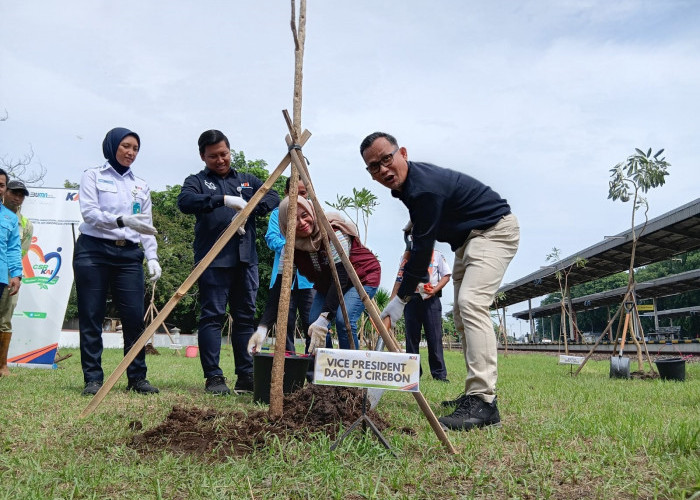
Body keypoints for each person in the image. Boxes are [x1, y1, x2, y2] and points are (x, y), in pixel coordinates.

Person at [360, 132, 519, 431]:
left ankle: (483, 402)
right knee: (461, 314)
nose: (383, 169)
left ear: (402, 152)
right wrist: (417, 221)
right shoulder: (411, 186)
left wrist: (399, 300)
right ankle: (475, 392)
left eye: (386, 159)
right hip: (468, 240)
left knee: (472, 304)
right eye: (374, 166)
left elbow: (421, 256)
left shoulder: (423, 189)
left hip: (494, 231)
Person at [177, 129, 280, 395]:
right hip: (212, 260)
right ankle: (214, 377)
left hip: (246, 260)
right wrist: (222, 200)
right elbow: (185, 202)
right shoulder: (197, 181)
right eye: (213, 156)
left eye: (224, 154)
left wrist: (248, 209)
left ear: (229, 151)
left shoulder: (247, 180)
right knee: (212, 317)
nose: (220, 160)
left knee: (245, 318)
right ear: (203, 156)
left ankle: (246, 374)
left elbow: (272, 196)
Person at [74, 127, 162, 396]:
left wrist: (152, 257)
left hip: (128, 255)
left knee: (135, 317)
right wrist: (121, 220)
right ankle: (93, 379)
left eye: (135, 148)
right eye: (125, 146)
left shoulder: (140, 185)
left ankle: (137, 377)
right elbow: (89, 213)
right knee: (92, 315)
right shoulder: (93, 176)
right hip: (93, 251)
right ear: (112, 146)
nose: (130, 152)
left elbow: (145, 225)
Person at [249, 196, 381, 358]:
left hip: (360, 278)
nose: (302, 222)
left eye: (305, 215)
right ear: (286, 224)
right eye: (294, 219)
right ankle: (321, 376)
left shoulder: (333, 233)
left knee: (342, 320)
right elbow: (281, 285)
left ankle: (351, 373)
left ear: (313, 212)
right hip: (327, 285)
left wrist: (324, 319)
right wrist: (263, 327)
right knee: (313, 323)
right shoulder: (290, 247)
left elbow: (341, 276)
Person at [392, 229, 451, 382]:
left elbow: (446, 275)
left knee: (434, 337)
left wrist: (435, 289)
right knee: (411, 338)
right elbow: (400, 278)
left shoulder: (437, 255)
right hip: (411, 299)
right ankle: (412, 374)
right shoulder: (406, 256)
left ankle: (439, 374)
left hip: (431, 300)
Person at [264, 178, 315, 353]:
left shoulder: (313, 213)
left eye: (303, 193)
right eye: (295, 193)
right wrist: (290, 246)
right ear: (286, 193)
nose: (299, 197)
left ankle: (311, 369)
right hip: (283, 278)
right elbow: (271, 238)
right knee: (285, 322)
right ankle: (287, 364)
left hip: (309, 279)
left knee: (311, 322)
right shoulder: (277, 214)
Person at [0, 172, 23, 377]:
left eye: (1, 185)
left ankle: (1, 366)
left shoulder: (10, 218)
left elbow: (14, 249)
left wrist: (16, 274)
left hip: (2, 277)